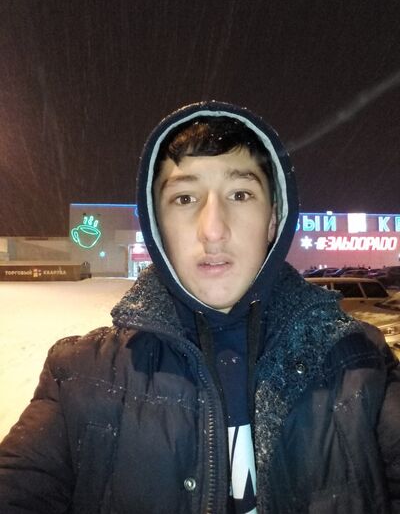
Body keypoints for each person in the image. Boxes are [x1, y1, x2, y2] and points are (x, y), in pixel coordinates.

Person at [0, 101, 399, 513]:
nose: (213, 230)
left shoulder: (359, 364)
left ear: (273, 219)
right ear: (156, 225)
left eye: (240, 194)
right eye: (185, 197)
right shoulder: (81, 378)